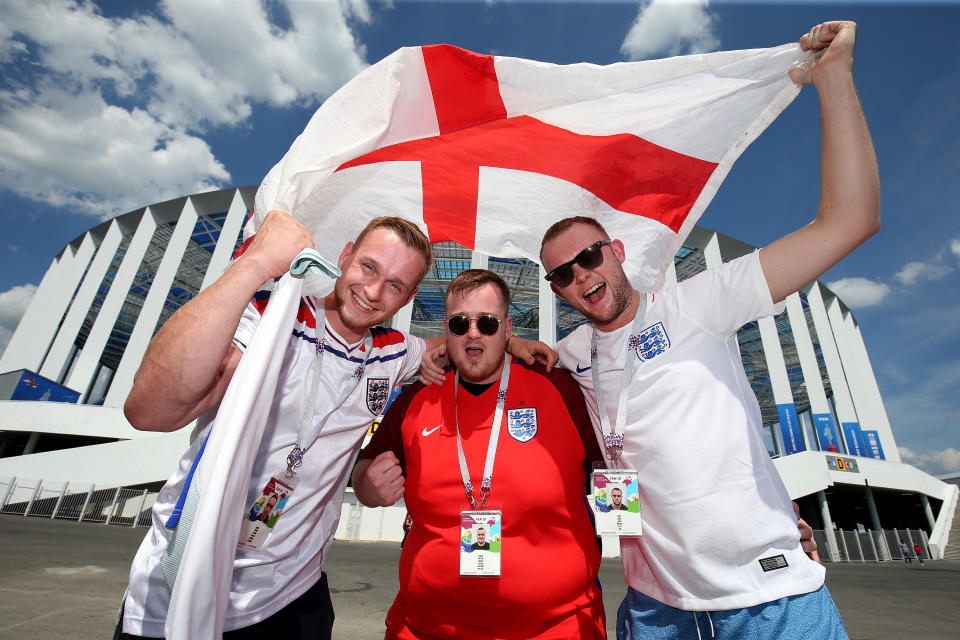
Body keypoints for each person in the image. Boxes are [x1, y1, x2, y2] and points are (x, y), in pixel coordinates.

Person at [538, 21, 877, 640]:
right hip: (655, 611)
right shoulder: (572, 352)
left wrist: (834, 78)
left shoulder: (698, 301)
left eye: (589, 257)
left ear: (616, 251)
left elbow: (848, 221)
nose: (581, 276)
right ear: (556, 289)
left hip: (771, 603)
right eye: (561, 273)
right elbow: (498, 351)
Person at [115, 212, 551, 639]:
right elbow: (150, 412)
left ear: (408, 297)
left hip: (294, 599)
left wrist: (507, 338)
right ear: (344, 255)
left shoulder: (392, 353)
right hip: (181, 590)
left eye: (395, 285)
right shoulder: (271, 321)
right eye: (368, 267)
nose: (374, 291)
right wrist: (253, 264)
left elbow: (460, 341)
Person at [352, 269, 606, 640]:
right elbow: (363, 469)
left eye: (487, 323)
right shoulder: (416, 398)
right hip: (424, 627)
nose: (473, 333)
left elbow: (613, 462)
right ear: (446, 329)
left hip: (555, 629)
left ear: (507, 328)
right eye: (460, 323)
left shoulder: (560, 389)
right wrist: (367, 485)